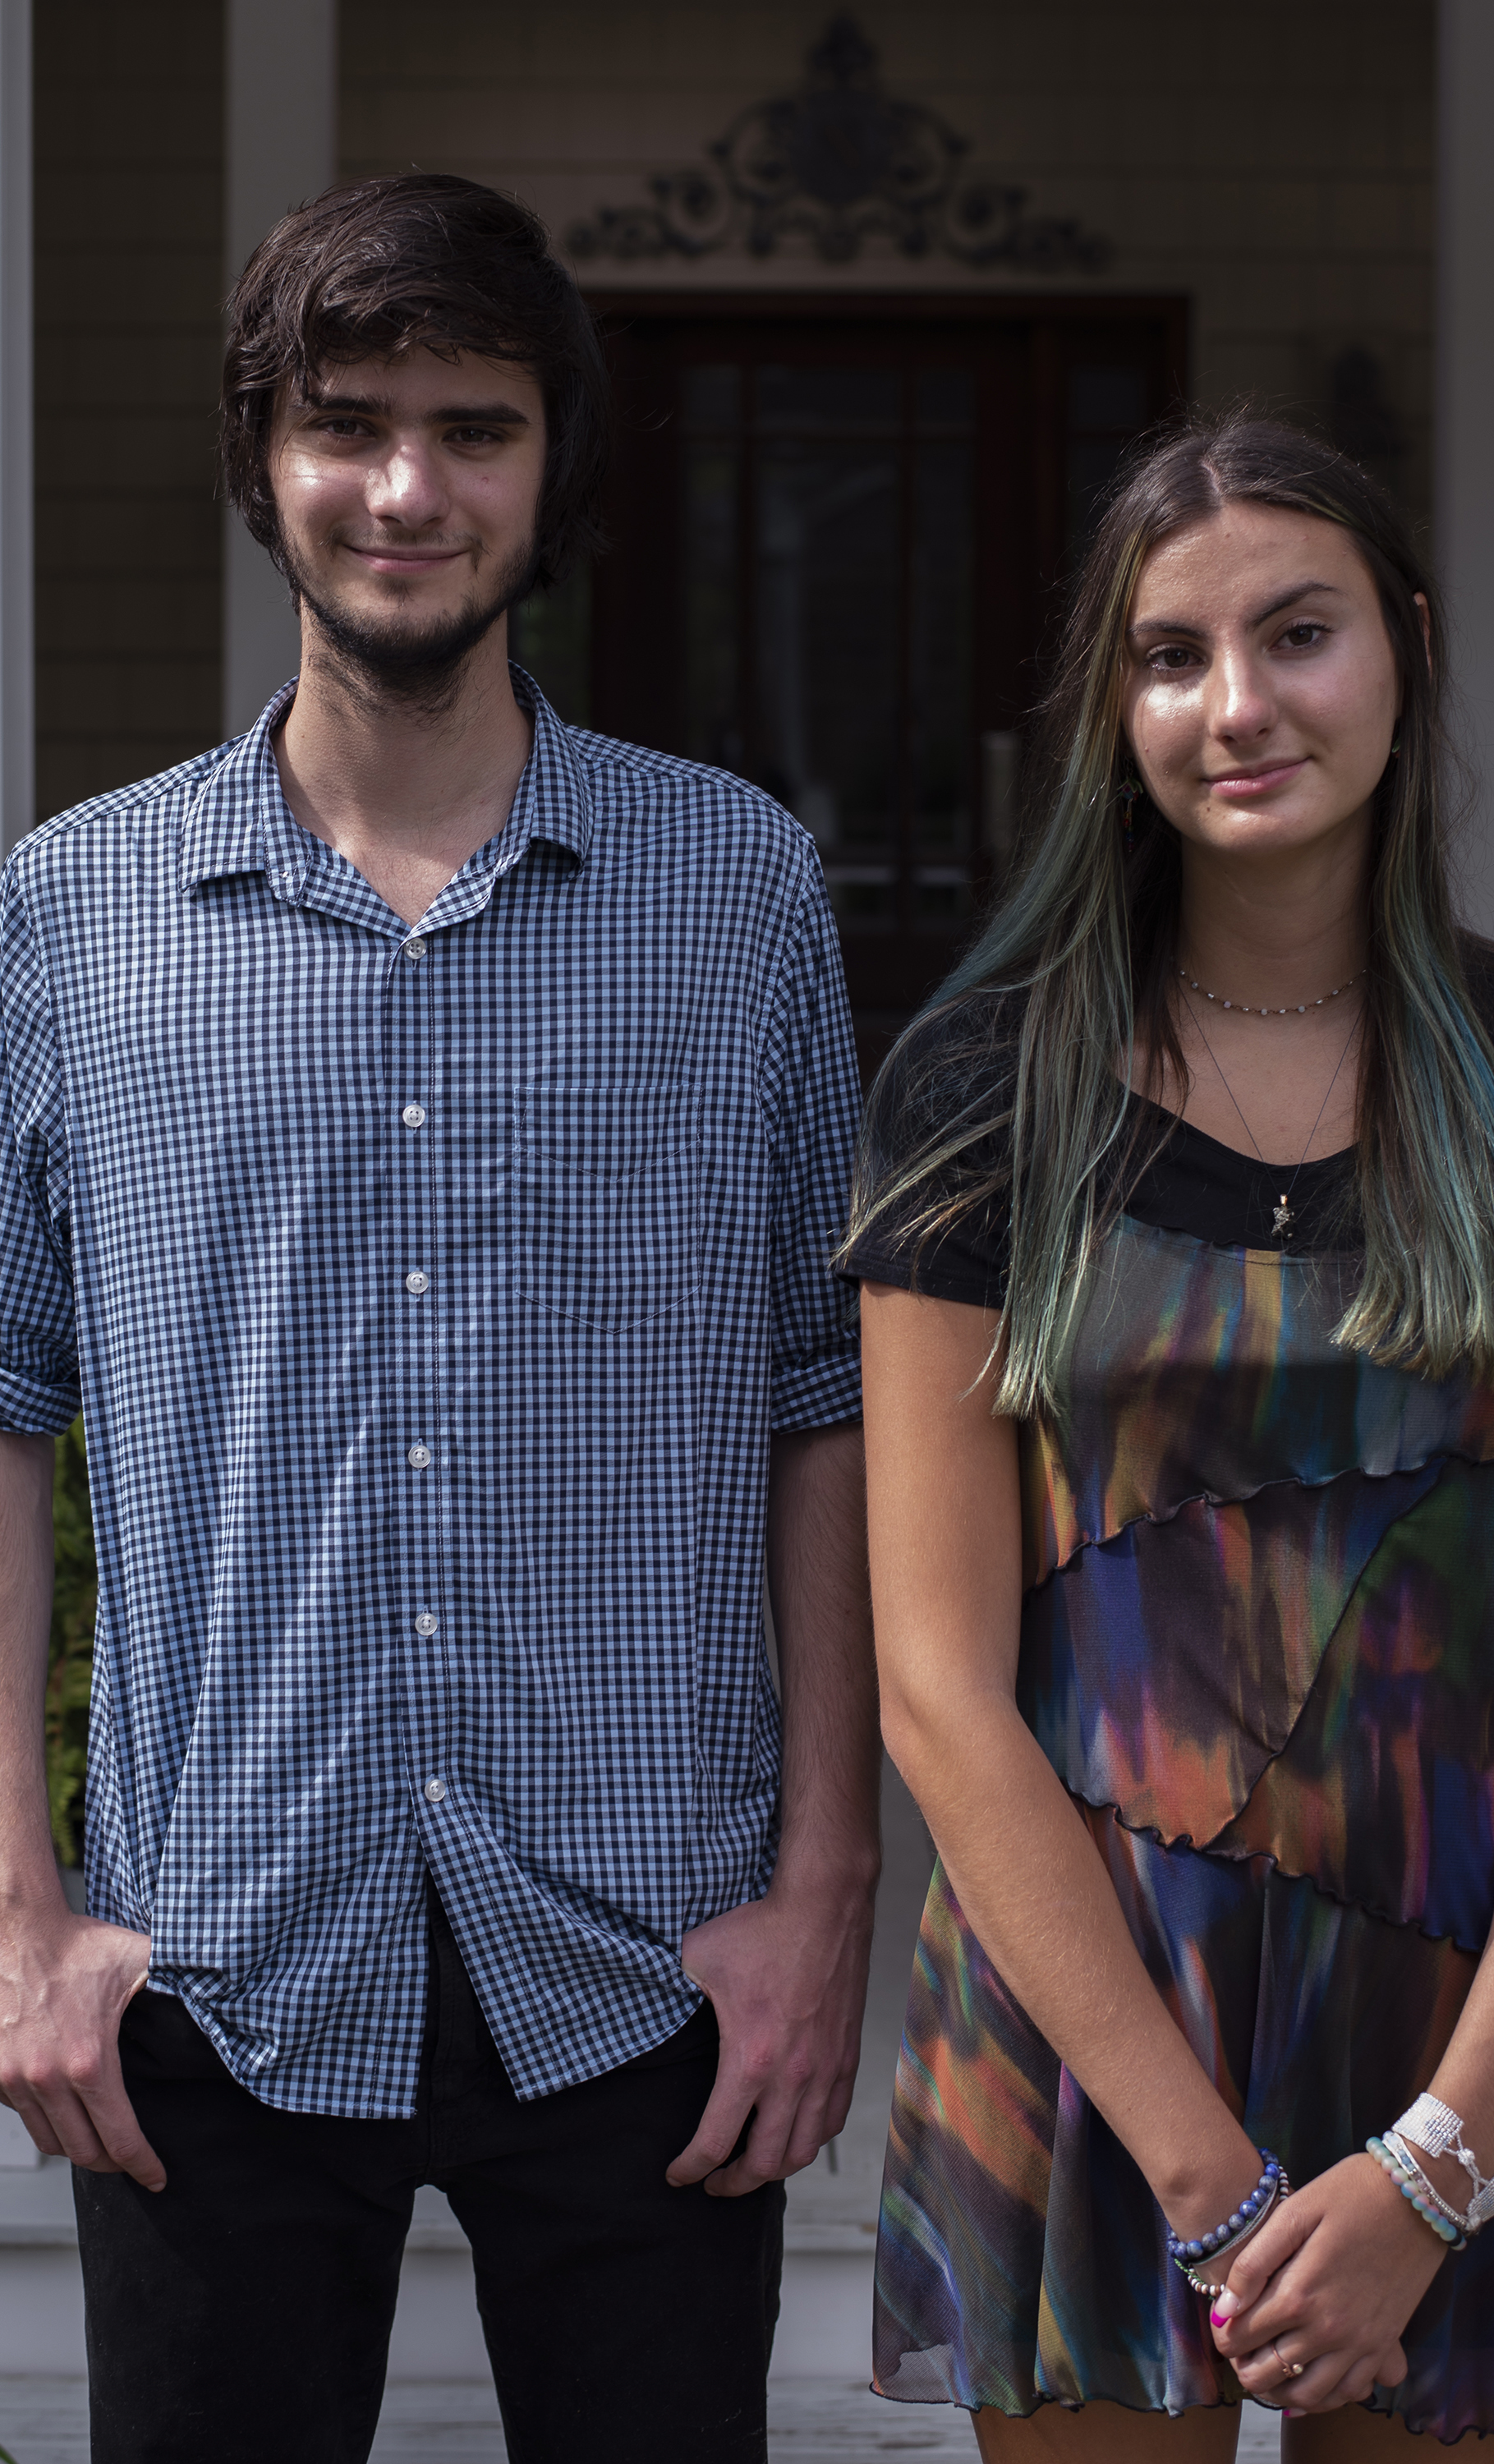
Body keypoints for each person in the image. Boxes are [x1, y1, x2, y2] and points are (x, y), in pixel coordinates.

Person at [0, 173, 879, 2464]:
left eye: (473, 428)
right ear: (262, 459)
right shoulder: (76, 913)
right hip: (214, 1952)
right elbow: (1, 1408)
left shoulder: (736, 888)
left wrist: (818, 1898)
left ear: (552, 466)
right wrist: (25, 1915)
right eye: (348, 424)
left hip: (648, 1954)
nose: (406, 488)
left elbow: (824, 1402)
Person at [839, 409, 1494, 2459]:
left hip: (1473, 2022)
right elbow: (937, 1684)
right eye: (1169, 656)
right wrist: (1215, 2183)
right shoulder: (976, 1091)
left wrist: (1437, 2165)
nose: (1239, 704)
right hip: (1091, 2030)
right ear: (1110, 711)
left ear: (1409, 648)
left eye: (1299, 635)